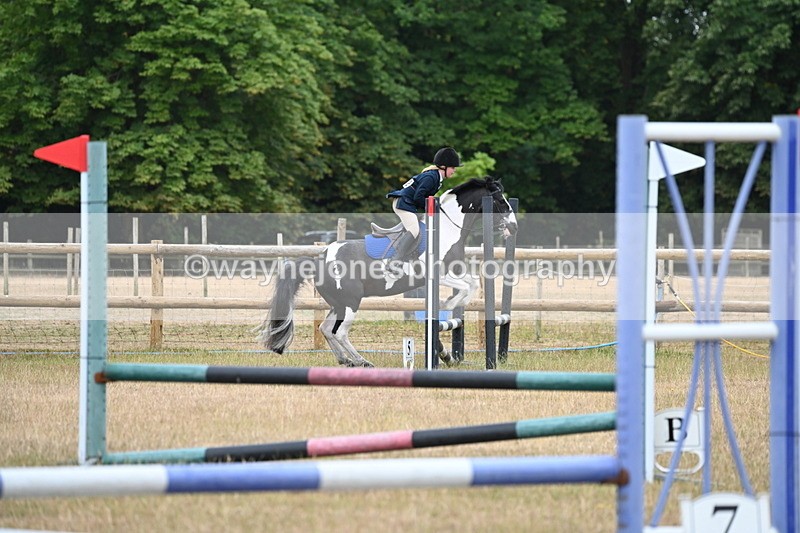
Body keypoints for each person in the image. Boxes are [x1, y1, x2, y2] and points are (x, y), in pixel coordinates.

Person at [385, 147, 462, 263]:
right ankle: (395, 259)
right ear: (443, 167)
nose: (454, 170)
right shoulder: (431, 177)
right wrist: (431, 208)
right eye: (452, 167)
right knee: (414, 230)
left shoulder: (436, 178)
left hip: (409, 204)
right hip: (403, 204)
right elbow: (418, 197)